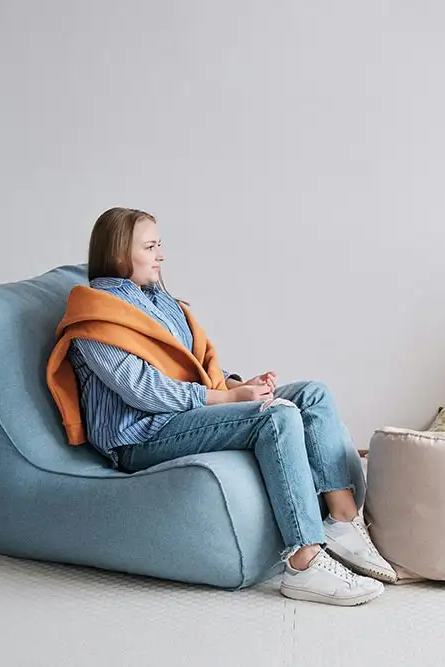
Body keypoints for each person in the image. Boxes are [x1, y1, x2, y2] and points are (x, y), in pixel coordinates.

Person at [46, 207, 394, 606]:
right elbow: (144, 391)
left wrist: (236, 384)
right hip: (141, 435)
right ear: (120, 252)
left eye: (160, 245)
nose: (161, 255)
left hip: (187, 414)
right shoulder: (95, 314)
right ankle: (304, 562)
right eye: (150, 246)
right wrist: (226, 400)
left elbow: (195, 365)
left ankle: (342, 521)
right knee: (276, 418)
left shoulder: (161, 302)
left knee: (311, 394)